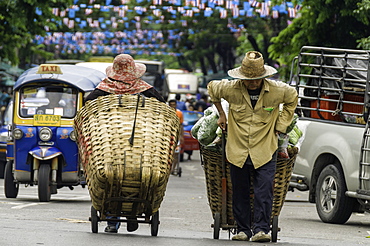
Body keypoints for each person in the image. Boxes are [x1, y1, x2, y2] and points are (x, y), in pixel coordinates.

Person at [207, 51, 298, 242]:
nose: (253, 83)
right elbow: (212, 88)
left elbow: (292, 98)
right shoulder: (231, 88)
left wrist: (280, 126)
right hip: (237, 148)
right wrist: (221, 114)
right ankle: (243, 230)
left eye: (257, 79)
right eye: (249, 80)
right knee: (239, 190)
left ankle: (261, 230)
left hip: (265, 148)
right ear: (242, 78)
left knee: (263, 190)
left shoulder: (278, 90)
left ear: (263, 76)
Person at [85, 54, 166, 234]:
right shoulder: (145, 89)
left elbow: (88, 103)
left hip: (110, 143)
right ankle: (132, 214)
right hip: (141, 142)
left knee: (111, 175)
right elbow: (162, 104)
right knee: (138, 174)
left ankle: (112, 221)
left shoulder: (104, 89)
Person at [168, 99, 184, 172]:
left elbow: (181, 125)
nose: (172, 106)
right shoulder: (166, 113)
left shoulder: (179, 113)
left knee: (176, 153)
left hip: (176, 135)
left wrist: (181, 136)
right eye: (171, 105)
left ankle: (173, 168)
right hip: (168, 135)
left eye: (174, 105)